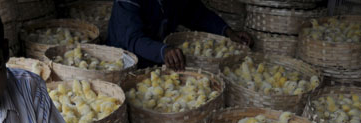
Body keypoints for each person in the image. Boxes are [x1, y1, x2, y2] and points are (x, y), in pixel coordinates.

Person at [106, 0, 253, 70]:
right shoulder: (128, 2)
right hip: (123, 63)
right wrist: (163, 51)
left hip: (157, 58)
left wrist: (227, 32)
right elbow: (133, 39)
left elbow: (197, 14)